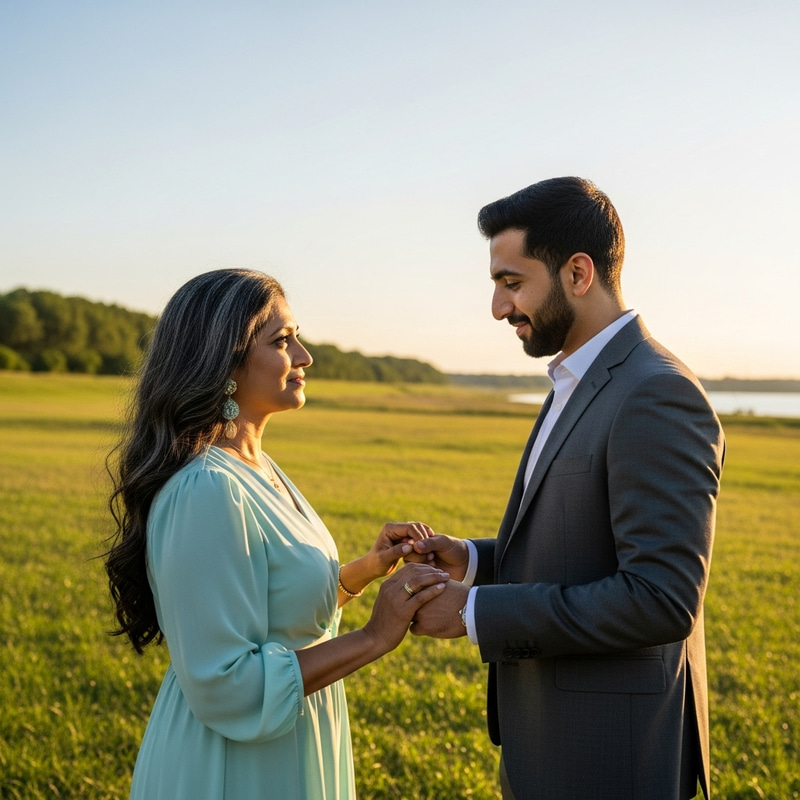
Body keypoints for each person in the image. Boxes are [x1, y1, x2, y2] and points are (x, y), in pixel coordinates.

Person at [408, 177, 725, 800]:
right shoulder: (576, 379)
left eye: (511, 283)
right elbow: (577, 547)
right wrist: (473, 560)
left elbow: (661, 598)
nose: (499, 308)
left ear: (578, 274)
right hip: (546, 741)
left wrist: (474, 613)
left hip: (610, 754)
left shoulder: (656, 393)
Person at [104, 268, 449, 800]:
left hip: (288, 741)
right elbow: (227, 684)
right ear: (225, 361)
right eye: (283, 341)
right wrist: (375, 637)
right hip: (232, 767)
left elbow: (270, 610)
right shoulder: (205, 489)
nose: (306, 357)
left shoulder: (259, 468)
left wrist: (361, 571)